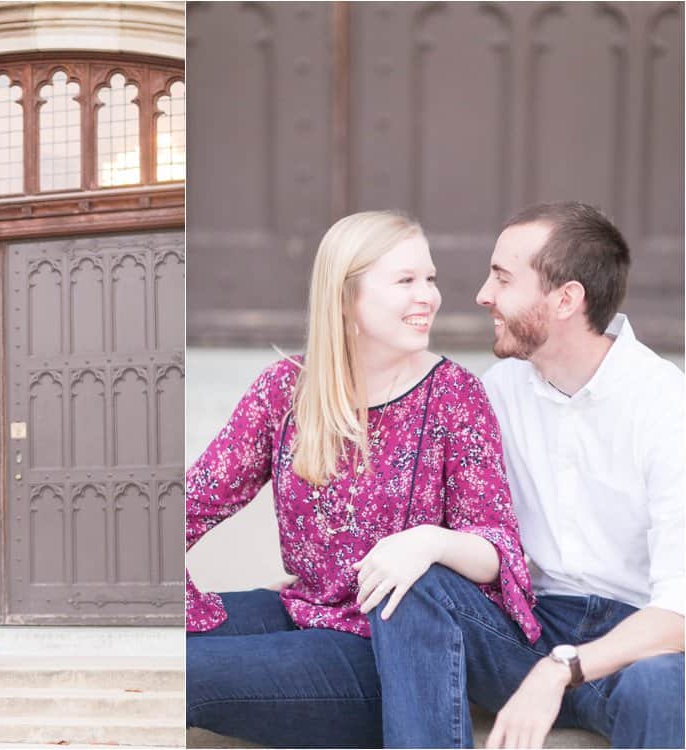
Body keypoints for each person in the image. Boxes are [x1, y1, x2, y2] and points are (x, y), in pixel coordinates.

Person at [186, 210, 540, 748]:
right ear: (346, 297)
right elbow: (195, 499)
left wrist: (428, 542)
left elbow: (498, 553)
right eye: (405, 281)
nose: (429, 296)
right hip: (302, 609)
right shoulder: (287, 390)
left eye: (430, 279)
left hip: (389, 652)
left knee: (189, 673)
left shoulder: (455, 396)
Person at [367, 201, 684, 748]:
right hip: (526, 629)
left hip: (637, 647)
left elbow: (679, 612)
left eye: (503, 278)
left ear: (566, 299)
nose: (483, 295)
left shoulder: (663, 403)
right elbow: (440, 523)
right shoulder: (496, 392)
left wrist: (561, 669)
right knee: (413, 578)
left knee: (661, 688)